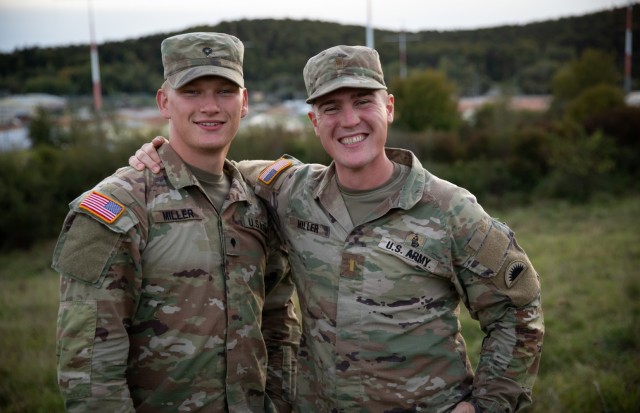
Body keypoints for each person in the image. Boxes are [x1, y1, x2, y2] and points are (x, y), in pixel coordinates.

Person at [131, 45, 544, 413]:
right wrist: (163, 155)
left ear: (390, 107)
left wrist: (484, 405)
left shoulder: (450, 210)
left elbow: (518, 310)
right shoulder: (291, 191)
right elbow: (224, 171)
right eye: (331, 108)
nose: (349, 121)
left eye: (363, 101)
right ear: (313, 120)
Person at [53, 32, 300, 413]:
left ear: (245, 102)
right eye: (193, 91)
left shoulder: (257, 201)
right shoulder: (119, 206)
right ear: (164, 101)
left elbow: (279, 322)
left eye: (224, 91)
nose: (210, 106)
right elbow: (88, 366)